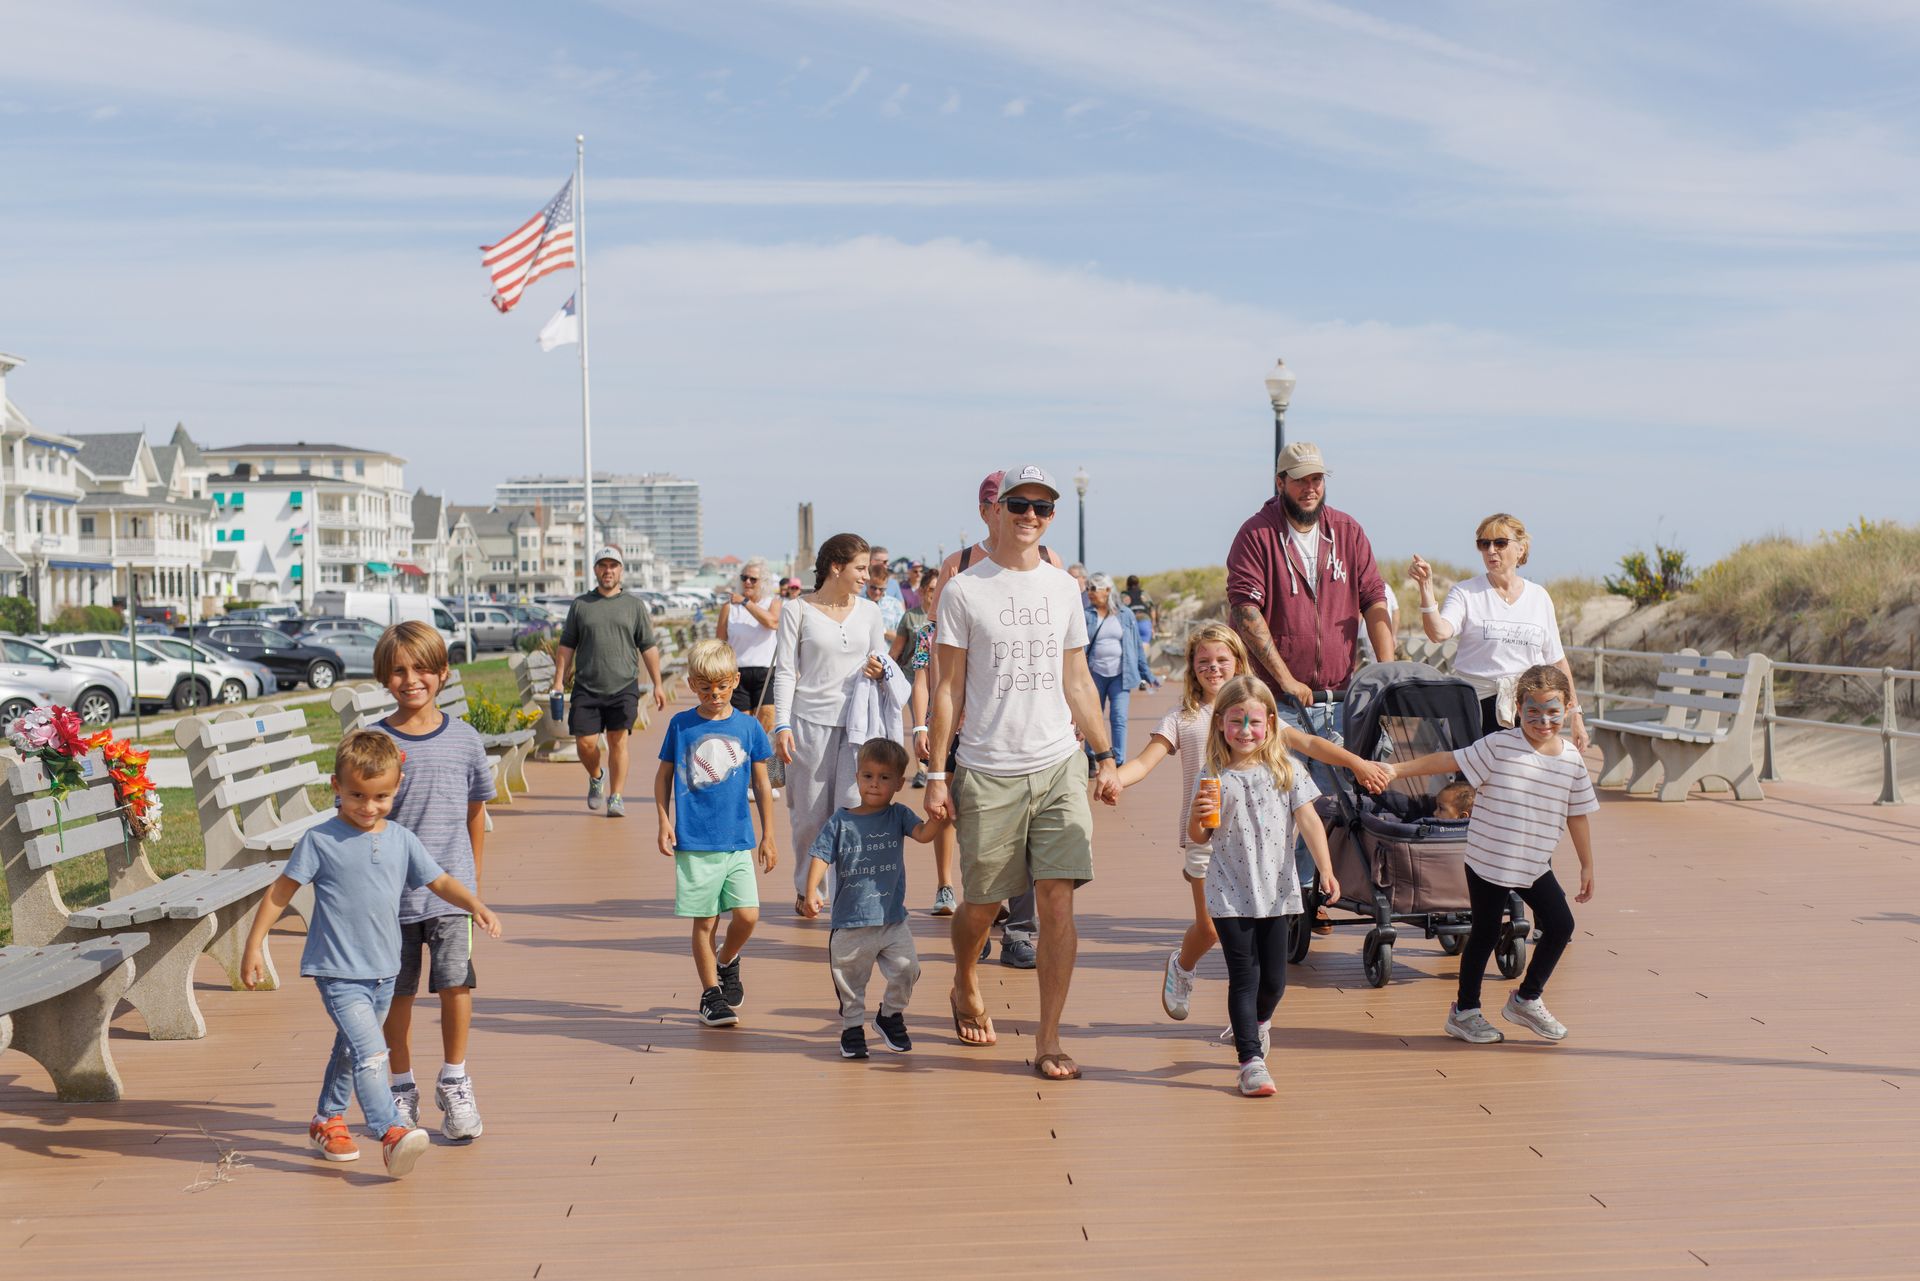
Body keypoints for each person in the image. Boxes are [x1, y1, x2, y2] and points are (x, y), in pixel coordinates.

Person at [926, 464, 1123, 1081]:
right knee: (982, 904)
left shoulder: (1065, 589)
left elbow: (1077, 679)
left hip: (1057, 761)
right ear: (997, 509)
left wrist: (1103, 754)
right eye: (1019, 505)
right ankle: (964, 978)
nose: (1030, 516)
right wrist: (936, 771)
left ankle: (1049, 1036)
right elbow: (947, 689)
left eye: (1043, 507)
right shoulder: (963, 590)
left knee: (1057, 900)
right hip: (987, 767)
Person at [240, 731, 503, 1177]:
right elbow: (280, 893)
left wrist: (474, 903)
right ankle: (390, 1130)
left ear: (396, 789)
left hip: (385, 971)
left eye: (380, 796)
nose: (368, 806)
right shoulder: (320, 840)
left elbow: (438, 881)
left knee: (350, 1050)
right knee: (372, 1051)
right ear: (335, 787)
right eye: (357, 795)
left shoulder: (400, 839)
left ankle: (327, 1119)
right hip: (337, 971)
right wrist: (254, 945)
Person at [1119, 625, 1390, 1020]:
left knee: (1255, 941)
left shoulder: (1253, 714)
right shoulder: (1184, 717)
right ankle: (1182, 966)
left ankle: (1252, 1017)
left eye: (1221, 661)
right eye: (1203, 662)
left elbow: (1311, 745)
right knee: (1209, 928)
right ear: (1192, 668)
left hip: (1258, 844)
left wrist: (1356, 762)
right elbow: (1145, 761)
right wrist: (1114, 778)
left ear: (1238, 664)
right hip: (1205, 837)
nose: (1213, 669)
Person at [1226, 439, 1394, 936]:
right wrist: (1284, 680)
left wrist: (1388, 674)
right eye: (1299, 479)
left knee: (1329, 801)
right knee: (1284, 802)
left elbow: (1374, 599)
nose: (1310, 487)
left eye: (1317, 478)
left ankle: (1315, 890)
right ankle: (1287, 898)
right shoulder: (1257, 535)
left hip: (1341, 696)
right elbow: (1246, 610)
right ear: (1280, 482)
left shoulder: (1346, 531)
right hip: (1278, 701)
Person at [1386, 664, 1597, 1044]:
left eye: (1553, 712)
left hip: (1532, 861)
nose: (1543, 720)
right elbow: (1449, 760)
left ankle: (1526, 998)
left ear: (1567, 709)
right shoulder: (1500, 745)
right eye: (1533, 711)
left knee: (1561, 925)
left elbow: (1577, 813)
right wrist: (1395, 769)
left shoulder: (1571, 760)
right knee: (1483, 932)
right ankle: (1465, 1012)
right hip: (1488, 857)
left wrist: (1587, 864)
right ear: (1518, 708)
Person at [367, 622, 495, 1142]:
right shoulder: (374, 743)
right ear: (384, 678)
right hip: (389, 898)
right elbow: (357, 815)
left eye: (421, 668)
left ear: (442, 673)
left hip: (450, 892)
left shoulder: (464, 739)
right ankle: (401, 1087)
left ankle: (455, 1080)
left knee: (455, 985)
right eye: (398, 670)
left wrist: (473, 883)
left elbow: (475, 812)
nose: (411, 679)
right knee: (396, 994)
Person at [936, 471, 1064, 967]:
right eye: (1009, 504)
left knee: (1040, 856)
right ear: (987, 510)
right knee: (987, 860)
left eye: (1039, 507)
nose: (1022, 514)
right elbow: (934, 652)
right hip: (976, 731)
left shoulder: (1051, 565)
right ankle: (981, 922)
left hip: (1042, 736)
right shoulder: (959, 568)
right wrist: (929, 725)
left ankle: (1022, 931)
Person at [1187, 676, 1337, 1097]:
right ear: (1220, 724)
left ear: (1270, 723)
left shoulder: (1287, 769)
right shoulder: (1213, 774)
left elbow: (1309, 820)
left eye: (1254, 722)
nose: (1245, 731)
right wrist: (1199, 816)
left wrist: (1324, 869)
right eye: (1236, 722)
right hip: (1229, 889)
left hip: (1276, 889)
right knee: (1244, 976)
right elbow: (1199, 836)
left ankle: (1258, 1022)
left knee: (1274, 980)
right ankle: (1250, 1060)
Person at [654, 638, 778, 1028]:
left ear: (735, 680)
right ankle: (711, 995)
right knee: (705, 921)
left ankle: (727, 959)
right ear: (692, 684)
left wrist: (768, 834)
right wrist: (663, 819)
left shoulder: (748, 726)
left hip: (738, 838)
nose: (715, 694)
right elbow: (662, 777)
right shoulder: (681, 725)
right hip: (694, 841)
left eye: (722, 686)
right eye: (705, 687)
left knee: (748, 915)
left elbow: (761, 782)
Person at [800, 737, 947, 1059]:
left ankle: (890, 1015)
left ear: (898, 783)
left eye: (884, 778)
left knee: (908, 969)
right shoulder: (842, 820)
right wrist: (811, 891)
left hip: (892, 919)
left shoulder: (899, 815)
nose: (875, 784)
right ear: (857, 777)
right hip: (851, 923)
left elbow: (922, 835)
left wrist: (938, 821)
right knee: (851, 983)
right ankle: (852, 1030)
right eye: (868, 776)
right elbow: (821, 855)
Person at [772, 533, 890, 910]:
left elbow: (883, 660)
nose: (865, 576)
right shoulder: (797, 610)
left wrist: (879, 667)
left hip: (858, 727)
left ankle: (847, 890)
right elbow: (786, 672)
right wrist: (782, 724)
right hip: (808, 724)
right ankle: (809, 888)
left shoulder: (870, 611)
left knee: (853, 809)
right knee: (809, 816)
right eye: (860, 568)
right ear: (836, 567)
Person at [1409, 513, 1589, 751]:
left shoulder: (1539, 597)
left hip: (1529, 709)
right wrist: (1426, 589)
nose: (1491, 550)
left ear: (1521, 549)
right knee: (1474, 784)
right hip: (1475, 709)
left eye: (1500, 543)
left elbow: (1557, 661)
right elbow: (1439, 633)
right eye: (1484, 544)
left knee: (1526, 781)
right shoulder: (1465, 592)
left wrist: (1576, 714)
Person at [553, 546, 668, 819]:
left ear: (621, 570)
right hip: (587, 686)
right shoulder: (581, 605)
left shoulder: (633, 606)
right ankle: (596, 777)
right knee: (585, 744)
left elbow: (648, 647)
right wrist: (558, 681)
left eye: (613, 566)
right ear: (595, 570)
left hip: (623, 686)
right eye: (603, 566)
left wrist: (658, 684)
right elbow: (566, 646)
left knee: (618, 742)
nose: (608, 571)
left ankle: (616, 796)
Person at [1083, 572, 1148, 767]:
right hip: (1095, 673)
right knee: (1093, 716)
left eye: (1094, 588)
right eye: (1088, 588)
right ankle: (1091, 756)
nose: (1090, 592)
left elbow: (1136, 644)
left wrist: (1146, 672)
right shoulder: (1086, 615)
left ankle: (1118, 760)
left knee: (1118, 717)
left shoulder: (1125, 614)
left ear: (1108, 590)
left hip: (1121, 674)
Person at [716, 557, 782, 741]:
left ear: (763, 582)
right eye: (744, 578)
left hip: (766, 673)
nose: (747, 582)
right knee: (740, 726)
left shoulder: (772, 603)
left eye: (753, 579)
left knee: (766, 722)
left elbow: (772, 622)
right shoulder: (728, 608)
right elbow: (720, 642)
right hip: (738, 673)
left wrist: (746, 602)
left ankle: (762, 765)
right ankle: (744, 765)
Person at [866, 547, 907, 632]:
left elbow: (901, 610)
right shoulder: (859, 586)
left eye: (881, 589)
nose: (887, 564)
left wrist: (882, 630)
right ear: (872, 561)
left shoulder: (893, 584)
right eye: (884, 562)